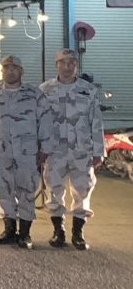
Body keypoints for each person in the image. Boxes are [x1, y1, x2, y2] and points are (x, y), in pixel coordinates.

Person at [39, 48, 105, 251]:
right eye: (63, 63)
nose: (67, 67)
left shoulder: (88, 90)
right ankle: (58, 231)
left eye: (71, 63)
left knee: (83, 189)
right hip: (54, 150)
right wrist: (40, 148)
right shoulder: (45, 90)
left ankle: (78, 232)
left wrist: (99, 151)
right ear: (57, 65)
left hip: (81, 150)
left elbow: (96, 122)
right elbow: (39, 121)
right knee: (54, 188)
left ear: (77, 66)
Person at [0, 54, 44, 250]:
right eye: (6, 68)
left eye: (14, 68)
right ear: (2, 71)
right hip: (1, 151)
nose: (10, 72)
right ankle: (9, 229)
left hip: (27, 152)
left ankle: (25, 233)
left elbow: (45, 122)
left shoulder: (34, 94)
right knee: (4, 189)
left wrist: (44, 149)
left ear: (21, 71)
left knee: (27, 190)